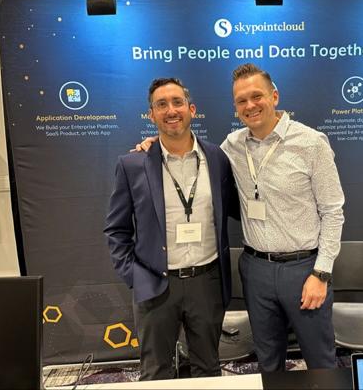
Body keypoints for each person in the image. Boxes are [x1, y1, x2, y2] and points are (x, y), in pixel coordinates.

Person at [136, 63, 345, 372]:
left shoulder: (311, 143)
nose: (250, 105)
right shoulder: (231, 147)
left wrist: (321, 273)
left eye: (256, 96)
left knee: (321, 361)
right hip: (255, 270)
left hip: (304, 270)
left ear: (274, 96)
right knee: (267, 360)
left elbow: (333, 212)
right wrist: (154, 145)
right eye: (241, 101)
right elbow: (188, 149)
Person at [104, 78, 239, 380]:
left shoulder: (217, 158)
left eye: (177, 102)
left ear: (192, 109)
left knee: (208, 368)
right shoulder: (133, 164)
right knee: (156, 373)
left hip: (207, 282)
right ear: (151, 115)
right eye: (161, 104)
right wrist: (135, 276)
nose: (171, 110)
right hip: (155, 284)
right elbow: (116, 229)